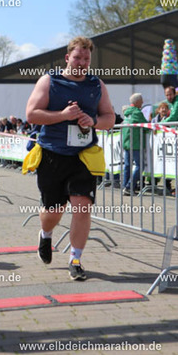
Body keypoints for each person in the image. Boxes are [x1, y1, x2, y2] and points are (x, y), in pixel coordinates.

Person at [26, 36, 115, 281]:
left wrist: (93, 121)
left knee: (82, 207)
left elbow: (109, 118)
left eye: (86, 59)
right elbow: (32, 114)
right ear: (67, 58)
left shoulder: (97, 85)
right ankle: (45, 235)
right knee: (53, 211)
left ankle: (75, 260)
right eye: (77, 57)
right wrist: (63, 115)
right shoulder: (50, 81)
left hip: (83, 156)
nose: (82, 62)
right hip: (52, 155)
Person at [121, 93, 148, 195]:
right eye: (141, 100)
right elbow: (146, 126)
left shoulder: (127, 113)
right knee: (140, 166)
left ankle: (125, 187)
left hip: (127, 142)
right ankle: (129, 186)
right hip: (135, 142)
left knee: (127, 166)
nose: (142, 102)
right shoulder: (137, 112)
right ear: (137, 102)